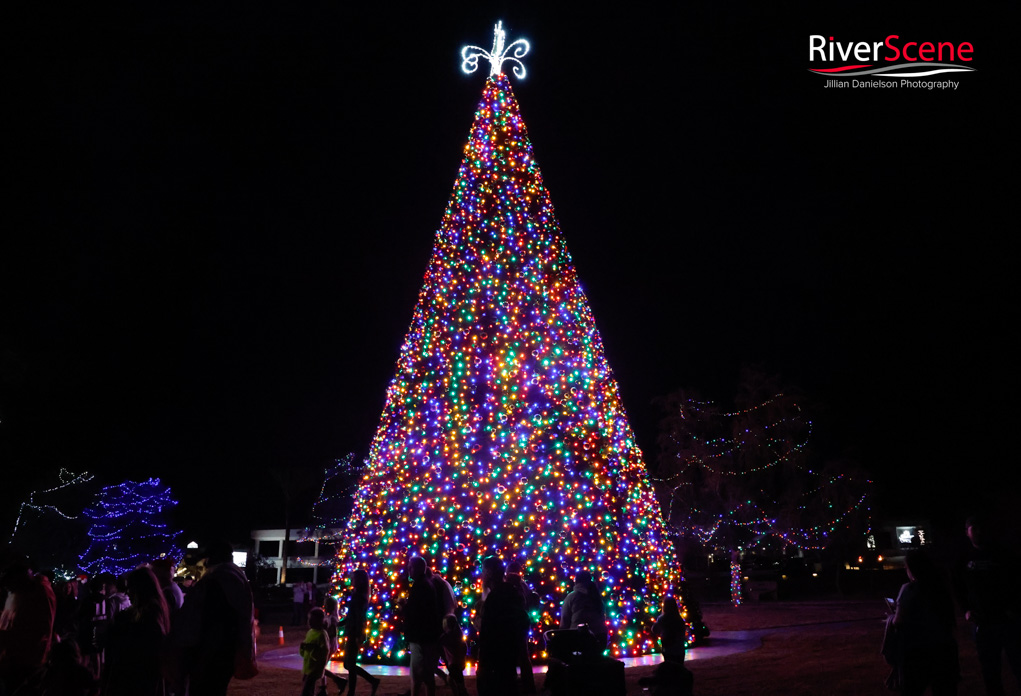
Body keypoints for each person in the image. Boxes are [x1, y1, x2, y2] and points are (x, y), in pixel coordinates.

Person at [174, 539, 256, 696]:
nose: (206, 563)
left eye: (208, 558)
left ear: (215, 558)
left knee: (205, 688)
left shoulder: (218, 579)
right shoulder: (235, 576)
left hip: (211, 651)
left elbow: (207, 616)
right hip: (223, 650)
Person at [956, 515, 1021, 696]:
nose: (978, 531)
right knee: (990, 670)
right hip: (982, 622)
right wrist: (966, 610)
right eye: (974, 528)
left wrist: (1013, 609)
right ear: (967, 532)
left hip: (1007, 621)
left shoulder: (1003, 554)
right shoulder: (964, 558)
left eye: (981, 527)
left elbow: (1016, 581)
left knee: (1017, 664)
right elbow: (958, 586)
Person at [892, 549, 958, 696]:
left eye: (906, 567)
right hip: (945, 649)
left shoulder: (908, 589)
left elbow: (898, 621)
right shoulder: (941, 586)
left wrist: (892, 617)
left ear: (913, 568)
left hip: (917, 652)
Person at [103, 565, 171, 696]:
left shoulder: (150, 614)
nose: (128, 592)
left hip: (138, 676)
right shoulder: (157, 609)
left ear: (140, 589)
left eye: (131, 588)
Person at [0, 561, 57, 694]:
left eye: (9, 584)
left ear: (20, 578)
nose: (7, 589)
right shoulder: (20, 592)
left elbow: (36, 632)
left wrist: (4, 636)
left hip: (25, 663)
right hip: (12, 660)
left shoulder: (39, 595)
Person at [475, 556, 529, 696]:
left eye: (483, 571)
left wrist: (479, 622)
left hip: (496, 655)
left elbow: (490, 630)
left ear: (489, 573)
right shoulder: (510, 591)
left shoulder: (496, 597)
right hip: (508, 652)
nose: (482, 575)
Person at [338, 569, 379, 696]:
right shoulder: (358, 595)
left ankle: (353, 691)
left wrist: (357, 635)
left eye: (353, 578)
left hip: (354, 632)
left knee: (349, 664)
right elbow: (353, 616)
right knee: (349, 664)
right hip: (352, 631)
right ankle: (372, 681)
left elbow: (359, 617)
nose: (351, 580)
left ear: (359, 580)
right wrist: (340, 624)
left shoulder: (359, 597)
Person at [404, 557, 440, 696]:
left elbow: (417, 612)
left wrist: (404, 607)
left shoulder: (421, 586)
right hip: (426, 636)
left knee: (418, 675)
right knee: (426, 674)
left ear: (419, 568)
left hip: (421, 637)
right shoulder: (426, 584)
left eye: (411, 567)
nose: (408, 570)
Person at [505, 561, 536, 693]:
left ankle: (513, 682)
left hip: (513, 623)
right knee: (524, 654)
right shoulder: (524, 585)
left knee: (510, 654)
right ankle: (528, 683)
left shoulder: (509, 586)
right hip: (523, 622)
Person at [560, 571, 607, 654]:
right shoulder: (597, 597)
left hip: (578, 640)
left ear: (576, 581)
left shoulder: (572, 597)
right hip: (600, 640)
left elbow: (564, 621)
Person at [300, 607, 329, 696]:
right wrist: (303, 648)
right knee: (309, 690)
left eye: (312, 620)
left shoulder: (322, 634)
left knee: (306, 692)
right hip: (308, 667)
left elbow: (324, 653)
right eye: (309, 619)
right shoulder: (310, 632)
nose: (310, 622)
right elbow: (304, 653)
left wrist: (312, 649)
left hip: (315, 668)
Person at [439, 614, 468, 696]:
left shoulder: (445, 637)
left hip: (453, 663)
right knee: (456, 680)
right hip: (459, 661)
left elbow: (439, 644)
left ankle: (461, 693)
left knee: (454, 680)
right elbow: (464, 647)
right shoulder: (458, 635)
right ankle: (461, 692)